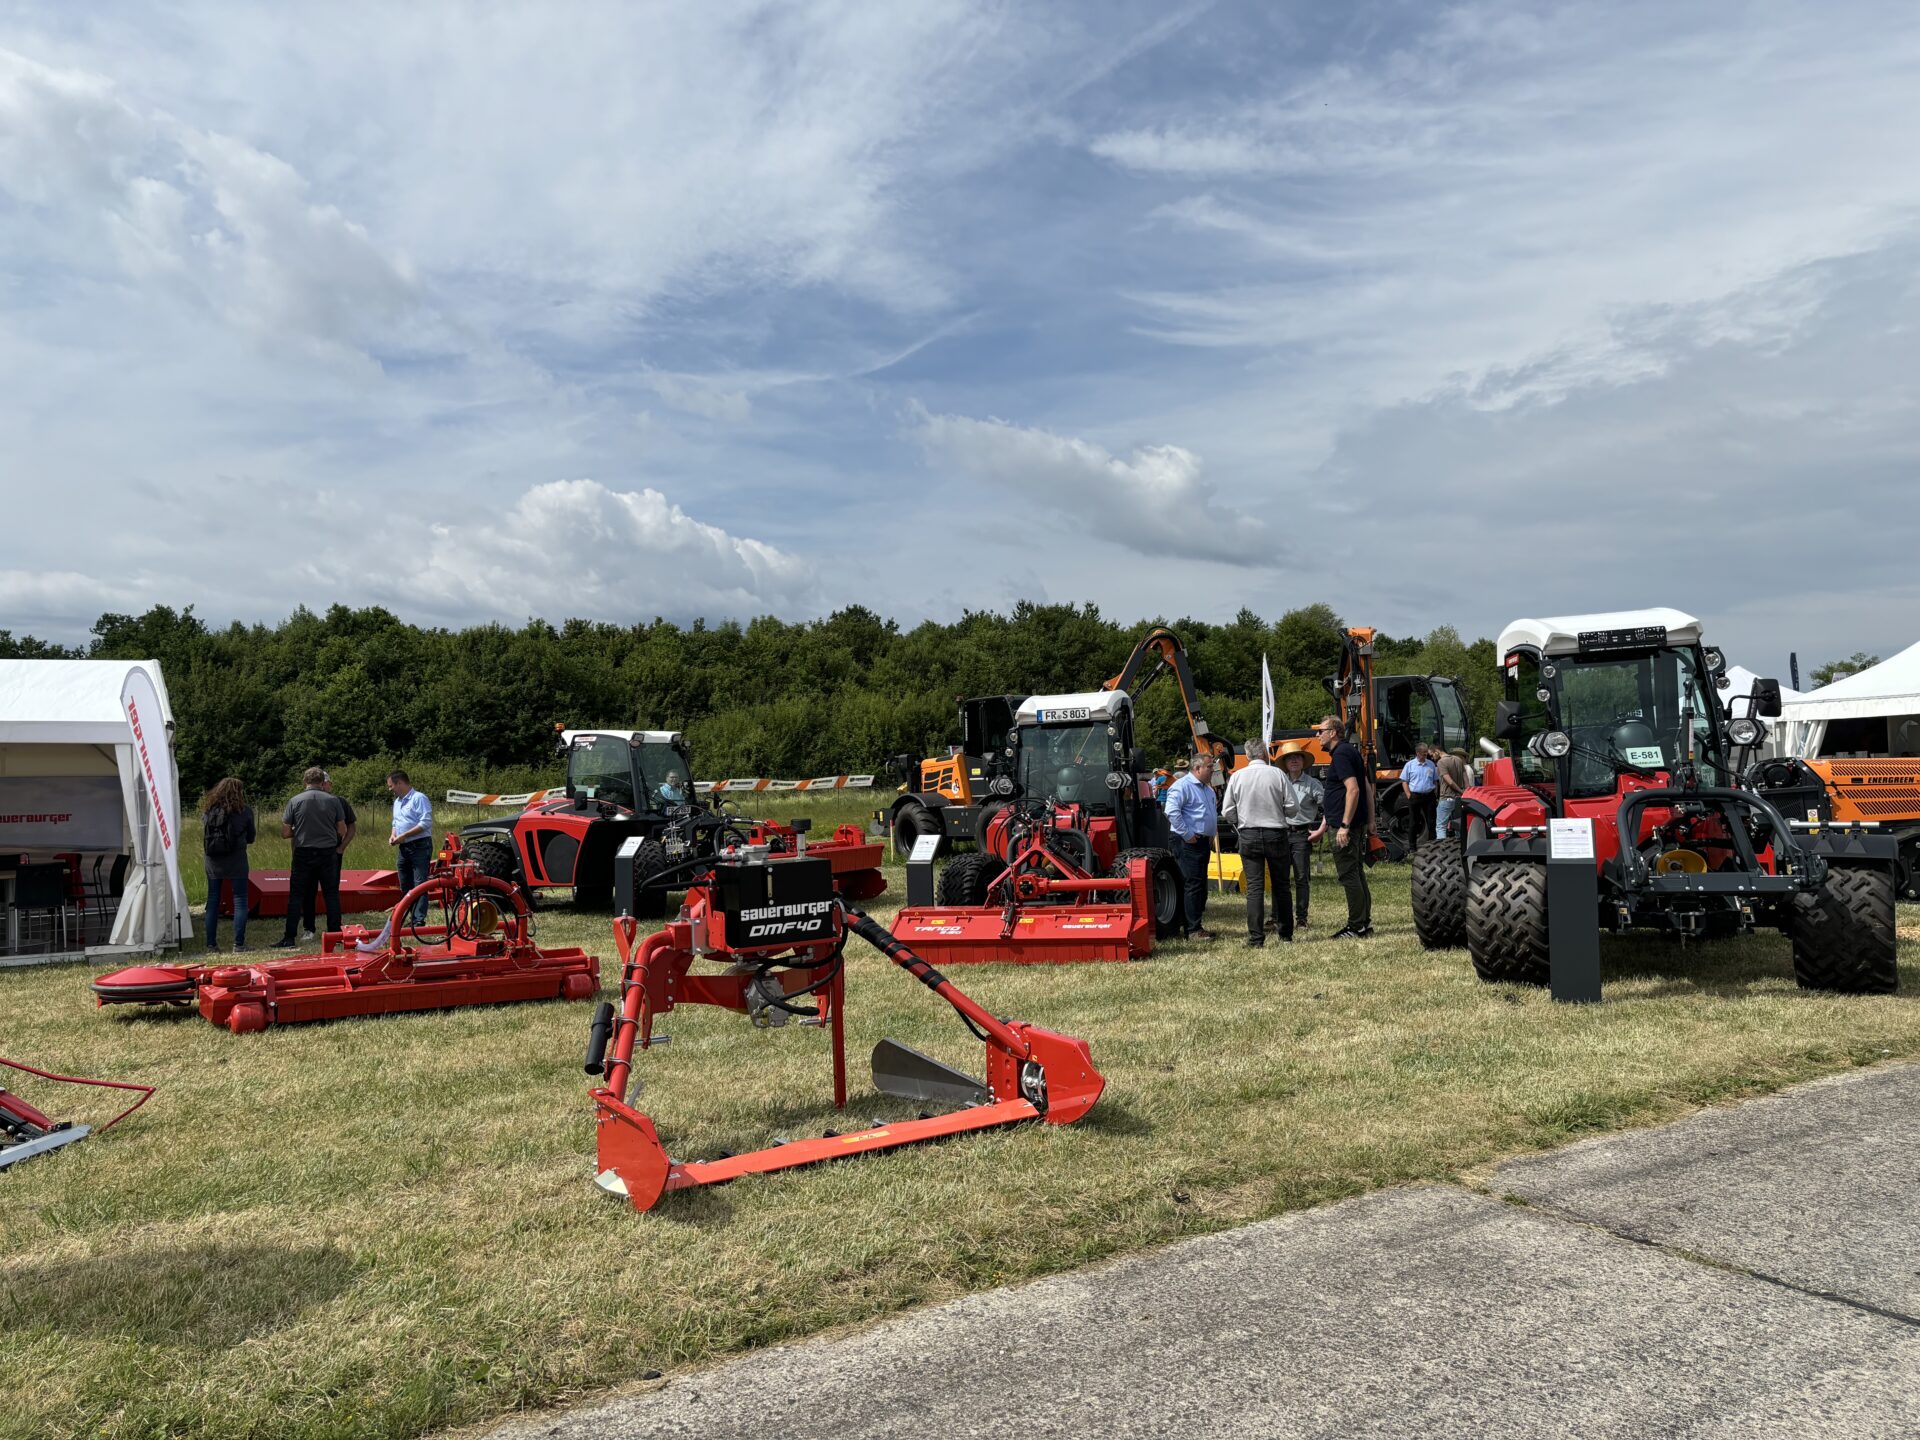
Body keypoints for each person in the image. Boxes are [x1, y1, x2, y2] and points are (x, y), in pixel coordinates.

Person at [1221, 739, 1292, 947]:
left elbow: (1226, 811)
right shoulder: (1277, 774)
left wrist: (1240, 819)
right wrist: (1279, 812)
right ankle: (1286, 935)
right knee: (1282, 886)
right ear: (1264, 754)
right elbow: (1292, 807)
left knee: (1254, 888)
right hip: (1275, 833)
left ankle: (1256, 938)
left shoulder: (1238, 777)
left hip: (1249, 833)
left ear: (1248, 754)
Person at [276, 767, 348, 947]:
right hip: (327, 852)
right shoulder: (333, 800)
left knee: (297, 895)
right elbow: (343, 829)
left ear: (305, 781)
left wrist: (301, 831)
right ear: (322, 782)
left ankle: (289, 937)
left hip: (303, 852)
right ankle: (334, 934)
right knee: (331, 894)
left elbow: (285, 833)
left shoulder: (295, 801)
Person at [1316, 716, 1372, 939]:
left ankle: (1356, 926)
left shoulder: (1340, 754)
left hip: (1345, 825)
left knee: (1349, 874)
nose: (1318, 735)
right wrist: (1370, 820)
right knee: (1356, 872)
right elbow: (1366, 786)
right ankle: (1363, 923)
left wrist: (1344, 826)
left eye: (1321, 731)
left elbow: (1354, 789)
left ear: (1333, 732)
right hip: (1354, 823)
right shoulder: (1349, 752)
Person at [1162, 752, 1218, 940]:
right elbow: (1171, 812)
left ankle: (1194, 925)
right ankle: (1193, 929)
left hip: (1201, 841)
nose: (1213, 770)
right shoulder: (1182, 786)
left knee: (1200, 884)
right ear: (1197, 768)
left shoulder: (1207, 789)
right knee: (1192, 884)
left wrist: (1210, 834)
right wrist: (1187, 835)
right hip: (1187, 842)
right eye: (1210, 767)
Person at [1274, 740, 1324, 936]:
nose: (1294, 761)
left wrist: (1321, 829)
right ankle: (1277, 918)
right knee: (1280, 878)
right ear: (1285, 763)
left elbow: (1329, 808)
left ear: (1303, 761)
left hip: (1302, 834)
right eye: (1290, 758)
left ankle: (1301, 918)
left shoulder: (1313, 784)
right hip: (1281, 833)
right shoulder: (1279, 782)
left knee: (1302, 878)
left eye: (1297, 757)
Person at [200, 777, 256, 952]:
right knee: (240, 900)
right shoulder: (245, 811)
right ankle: (238, 944)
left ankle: (211, 944)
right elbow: (251, 838)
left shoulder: (209, 811)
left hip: (213, 859)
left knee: (213, 900)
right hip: (236, 859)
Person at [386, 770, 435, 927]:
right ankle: (408, 914)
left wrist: (405, 835)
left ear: (400, 783)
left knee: (420, 882)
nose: (390, 789)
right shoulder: (397, 802)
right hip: (404, 847)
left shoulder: (419, 798)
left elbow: (425, 822)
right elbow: (396, 822)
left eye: (391, 786)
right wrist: (393, 835)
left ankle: (418, 920)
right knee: (405, 882)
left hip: (419, 845)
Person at [1400, 743, 1439, 852]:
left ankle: (1432, 846)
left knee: (1431, 822)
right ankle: (1412, 848)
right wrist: (1408, 795)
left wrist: (1435, 793)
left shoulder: (1431, 764)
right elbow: (1404, 781)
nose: (1425, 756)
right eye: (1423, 754)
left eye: (1426, 754)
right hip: (1415, 796)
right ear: (1417, 753)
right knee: (1413, 823)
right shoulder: (1410, 765)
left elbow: (1435, 780)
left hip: (1429, 796)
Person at [1435, 747, 1472, 840]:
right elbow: (1465, 778)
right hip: (1459, 798)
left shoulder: (1441, 762)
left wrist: (1460, 790)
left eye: (1432, 754)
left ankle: (1441, 849)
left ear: (1437, 751)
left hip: (1447, 797)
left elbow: (1449, 782)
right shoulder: (1459, 761)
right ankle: (1460, 847)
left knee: (1441, 826)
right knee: (1458, 825)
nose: (1431, 757)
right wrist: (1466, 792)